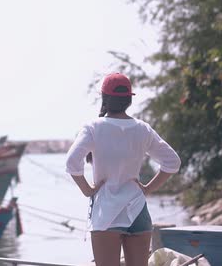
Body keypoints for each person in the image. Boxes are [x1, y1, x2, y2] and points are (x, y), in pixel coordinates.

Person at [65, 72, 181, 266]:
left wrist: (88, 190)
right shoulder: (142, 129)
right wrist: (149, 188)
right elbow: (172, 162)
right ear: (129, 100)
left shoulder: (93, 127)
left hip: (106, 215)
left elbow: (72, 163)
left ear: (104, 99)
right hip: (138, 213)